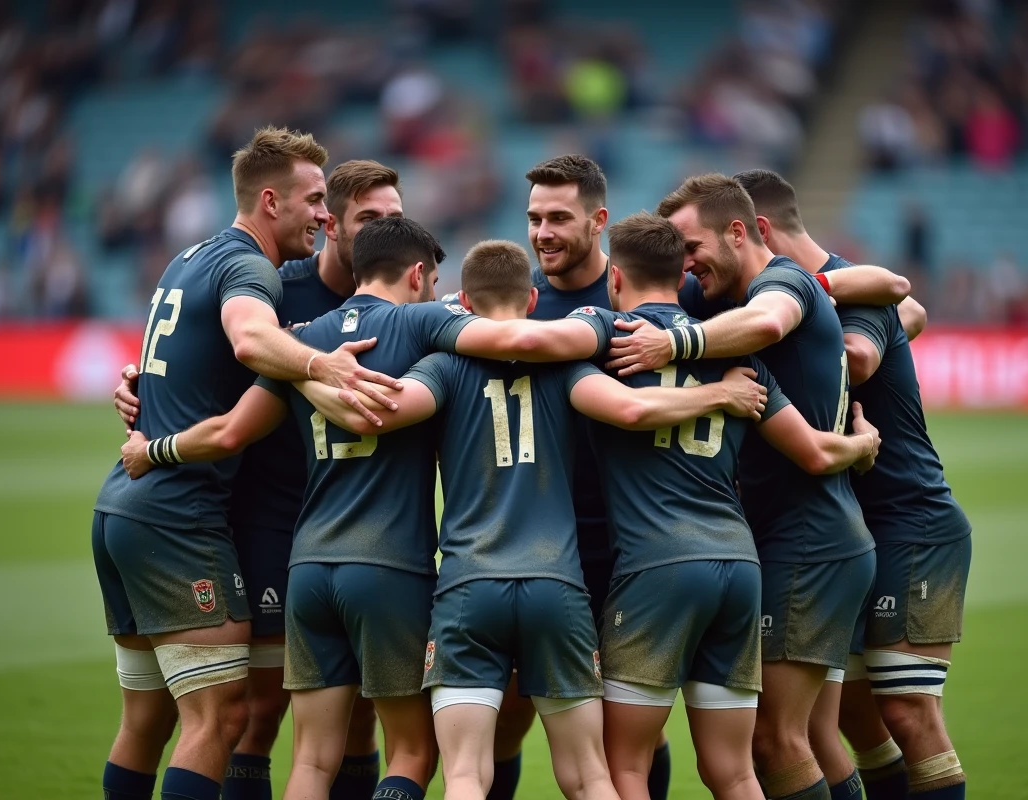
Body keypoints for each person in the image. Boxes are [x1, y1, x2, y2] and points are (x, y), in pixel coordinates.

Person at [307, 238, 769, 800]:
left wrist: (302, 370)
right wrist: (718, 393)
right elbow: (633, 408)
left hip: (470, 586)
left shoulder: (442, 366)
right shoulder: (566, 368)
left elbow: (376, 412)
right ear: (532, 299)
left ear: (464, 305)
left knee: (466, 775)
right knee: (590, 776)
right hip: (558, 589)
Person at [91, 127, 401, 800]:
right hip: (228, 520)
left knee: (165, 719)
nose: (381, 231)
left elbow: (184, 356)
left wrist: (142, 388)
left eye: (395, 218)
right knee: (238, 718)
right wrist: (321, 364)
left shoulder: (409, 298)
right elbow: (247, 341)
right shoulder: (266, 279)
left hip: (341, 531)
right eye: (327, 206)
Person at [605, 175, 886, 800]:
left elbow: (767, 323)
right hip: (801, 540)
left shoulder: (780, 286)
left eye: (693, 246)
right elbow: (898, 296)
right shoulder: (725, 314)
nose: (685, 263)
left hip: (806, 544)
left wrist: (671, 343)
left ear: (739, 231)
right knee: (807, 738)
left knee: (776, 742)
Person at [741, 169, 971, 800]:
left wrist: (808, 299)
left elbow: (862, 356)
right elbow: (910, 308)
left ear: (756, 231)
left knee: (907, 712)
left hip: (908, 520)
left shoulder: (848, 290)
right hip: (843, 532)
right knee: (850, 719)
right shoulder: (831, 288)